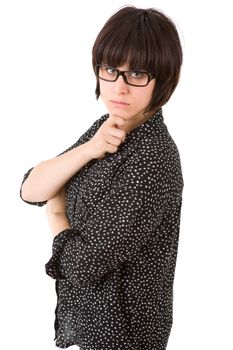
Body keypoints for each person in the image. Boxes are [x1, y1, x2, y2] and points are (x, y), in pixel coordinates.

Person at [20, 5, 184, 350]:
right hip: (90, 325)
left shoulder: (151, 160)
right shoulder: (109, 129)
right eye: (110, 69)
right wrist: (87, 150)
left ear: (164, 79)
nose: (119, 88)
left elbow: (81, 265)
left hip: (124, 335)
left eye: (137, 74)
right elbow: (31, 188)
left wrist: (56, 213)